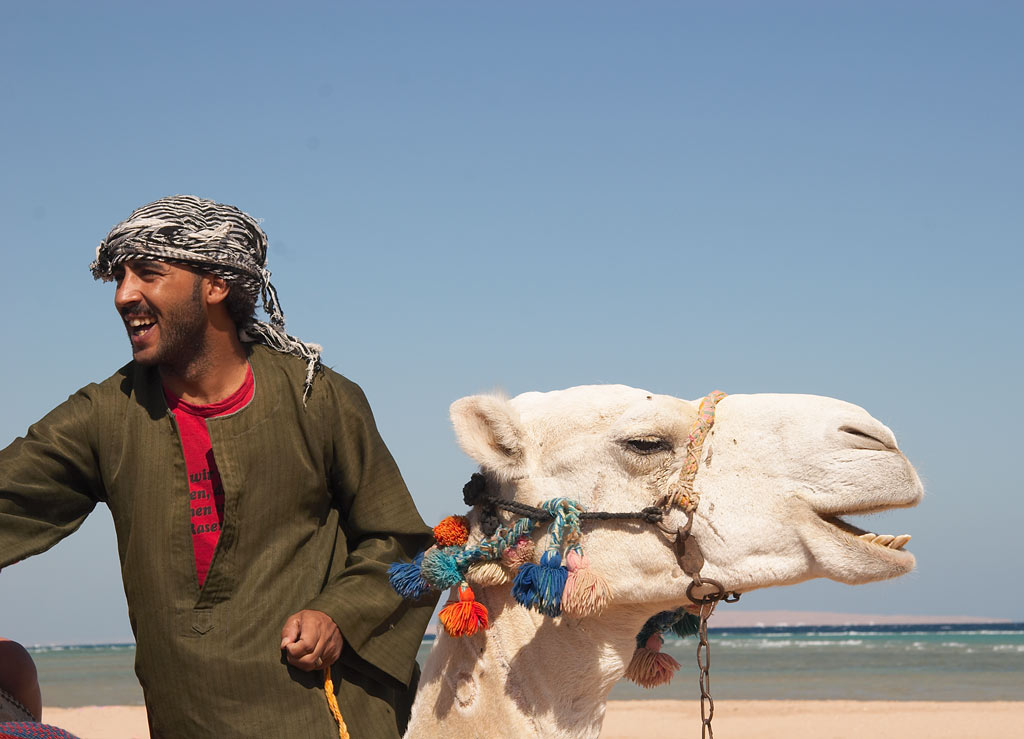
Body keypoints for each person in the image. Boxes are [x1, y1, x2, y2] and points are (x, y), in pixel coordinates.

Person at [0, 196, 438, 738]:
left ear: (215, 284)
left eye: (149, 273)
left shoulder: (317, 399)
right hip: (187, 719)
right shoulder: (106, 415)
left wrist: (338, 615)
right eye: (119, 277)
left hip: (327, 716)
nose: (123, 295)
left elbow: (401, 542)